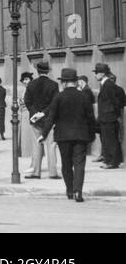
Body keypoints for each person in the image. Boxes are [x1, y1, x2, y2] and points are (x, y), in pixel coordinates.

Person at [47, 67, 96, 201]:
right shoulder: (84, 96)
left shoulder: (59, 97)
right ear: (75, 81)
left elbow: (51, 117)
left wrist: (44, 133)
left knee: (66, 164)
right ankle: (78, 192)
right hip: (81, 135)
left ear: (63, 82)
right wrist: (93, 133)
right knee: (79, 164)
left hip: (63, 136)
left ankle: (69, 190)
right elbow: (91, 117)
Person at [25, 60, 60, 180]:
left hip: (35, 120)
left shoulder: (31, 84)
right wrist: (44, 113)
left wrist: (35, 113)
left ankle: (36, 172)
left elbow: (27, 101)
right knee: (51, 146)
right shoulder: (54, 85)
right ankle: (53, 173)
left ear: (37, 71)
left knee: (36, 146)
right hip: (49, 119)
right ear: (48, 71)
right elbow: (55, 103)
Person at [94, 63, 124, 168]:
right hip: (106, 117)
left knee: (111, 140)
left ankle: (112, 162)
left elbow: (115, 101)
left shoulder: (108, 85)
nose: (95, 75)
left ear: (102, 74)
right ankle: (109, 160)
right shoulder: (104, 84)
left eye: (97, 73)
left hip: (109, 117)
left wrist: (113, 114)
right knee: (107, 140)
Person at [17, 70, 34, 160]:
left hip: (29, 114)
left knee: (30, 137)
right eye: (23, 80)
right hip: (23, 115)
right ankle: (28, 157)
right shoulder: (24, 90)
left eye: (27, 79)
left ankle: (33, 159)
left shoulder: (33, 89)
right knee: (24, 138)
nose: (25, 81)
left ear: (31, 80)